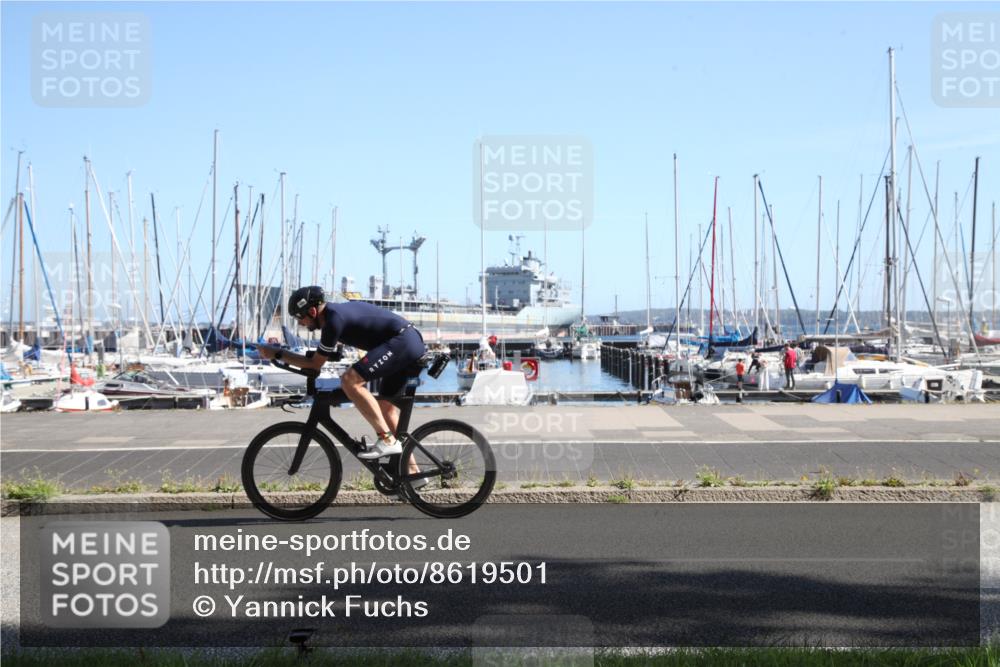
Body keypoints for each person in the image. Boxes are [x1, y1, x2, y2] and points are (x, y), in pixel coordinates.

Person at [257, 286, 427, 460]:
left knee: (350, 380)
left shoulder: (333, 320)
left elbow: (314, 364)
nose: (300, 323)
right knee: (386, 408)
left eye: (300, 317)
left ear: (313, 311)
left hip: (402, 342)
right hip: (406, 341)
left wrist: (277, 353)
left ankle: (387, 440)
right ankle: (412, 473)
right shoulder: (334, 316)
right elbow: (327, 354)